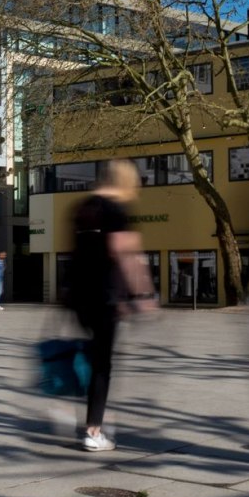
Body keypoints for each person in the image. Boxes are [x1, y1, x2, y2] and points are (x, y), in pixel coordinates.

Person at [64, 159, 156, 452]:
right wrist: (143, 294)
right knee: (102, 364)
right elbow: (126, 252)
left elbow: (75, 252)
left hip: (80, 297)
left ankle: (93, 413)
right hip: (106, 296)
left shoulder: (81, 207)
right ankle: (93, 430)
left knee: (92, 359)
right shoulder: (116, 210)